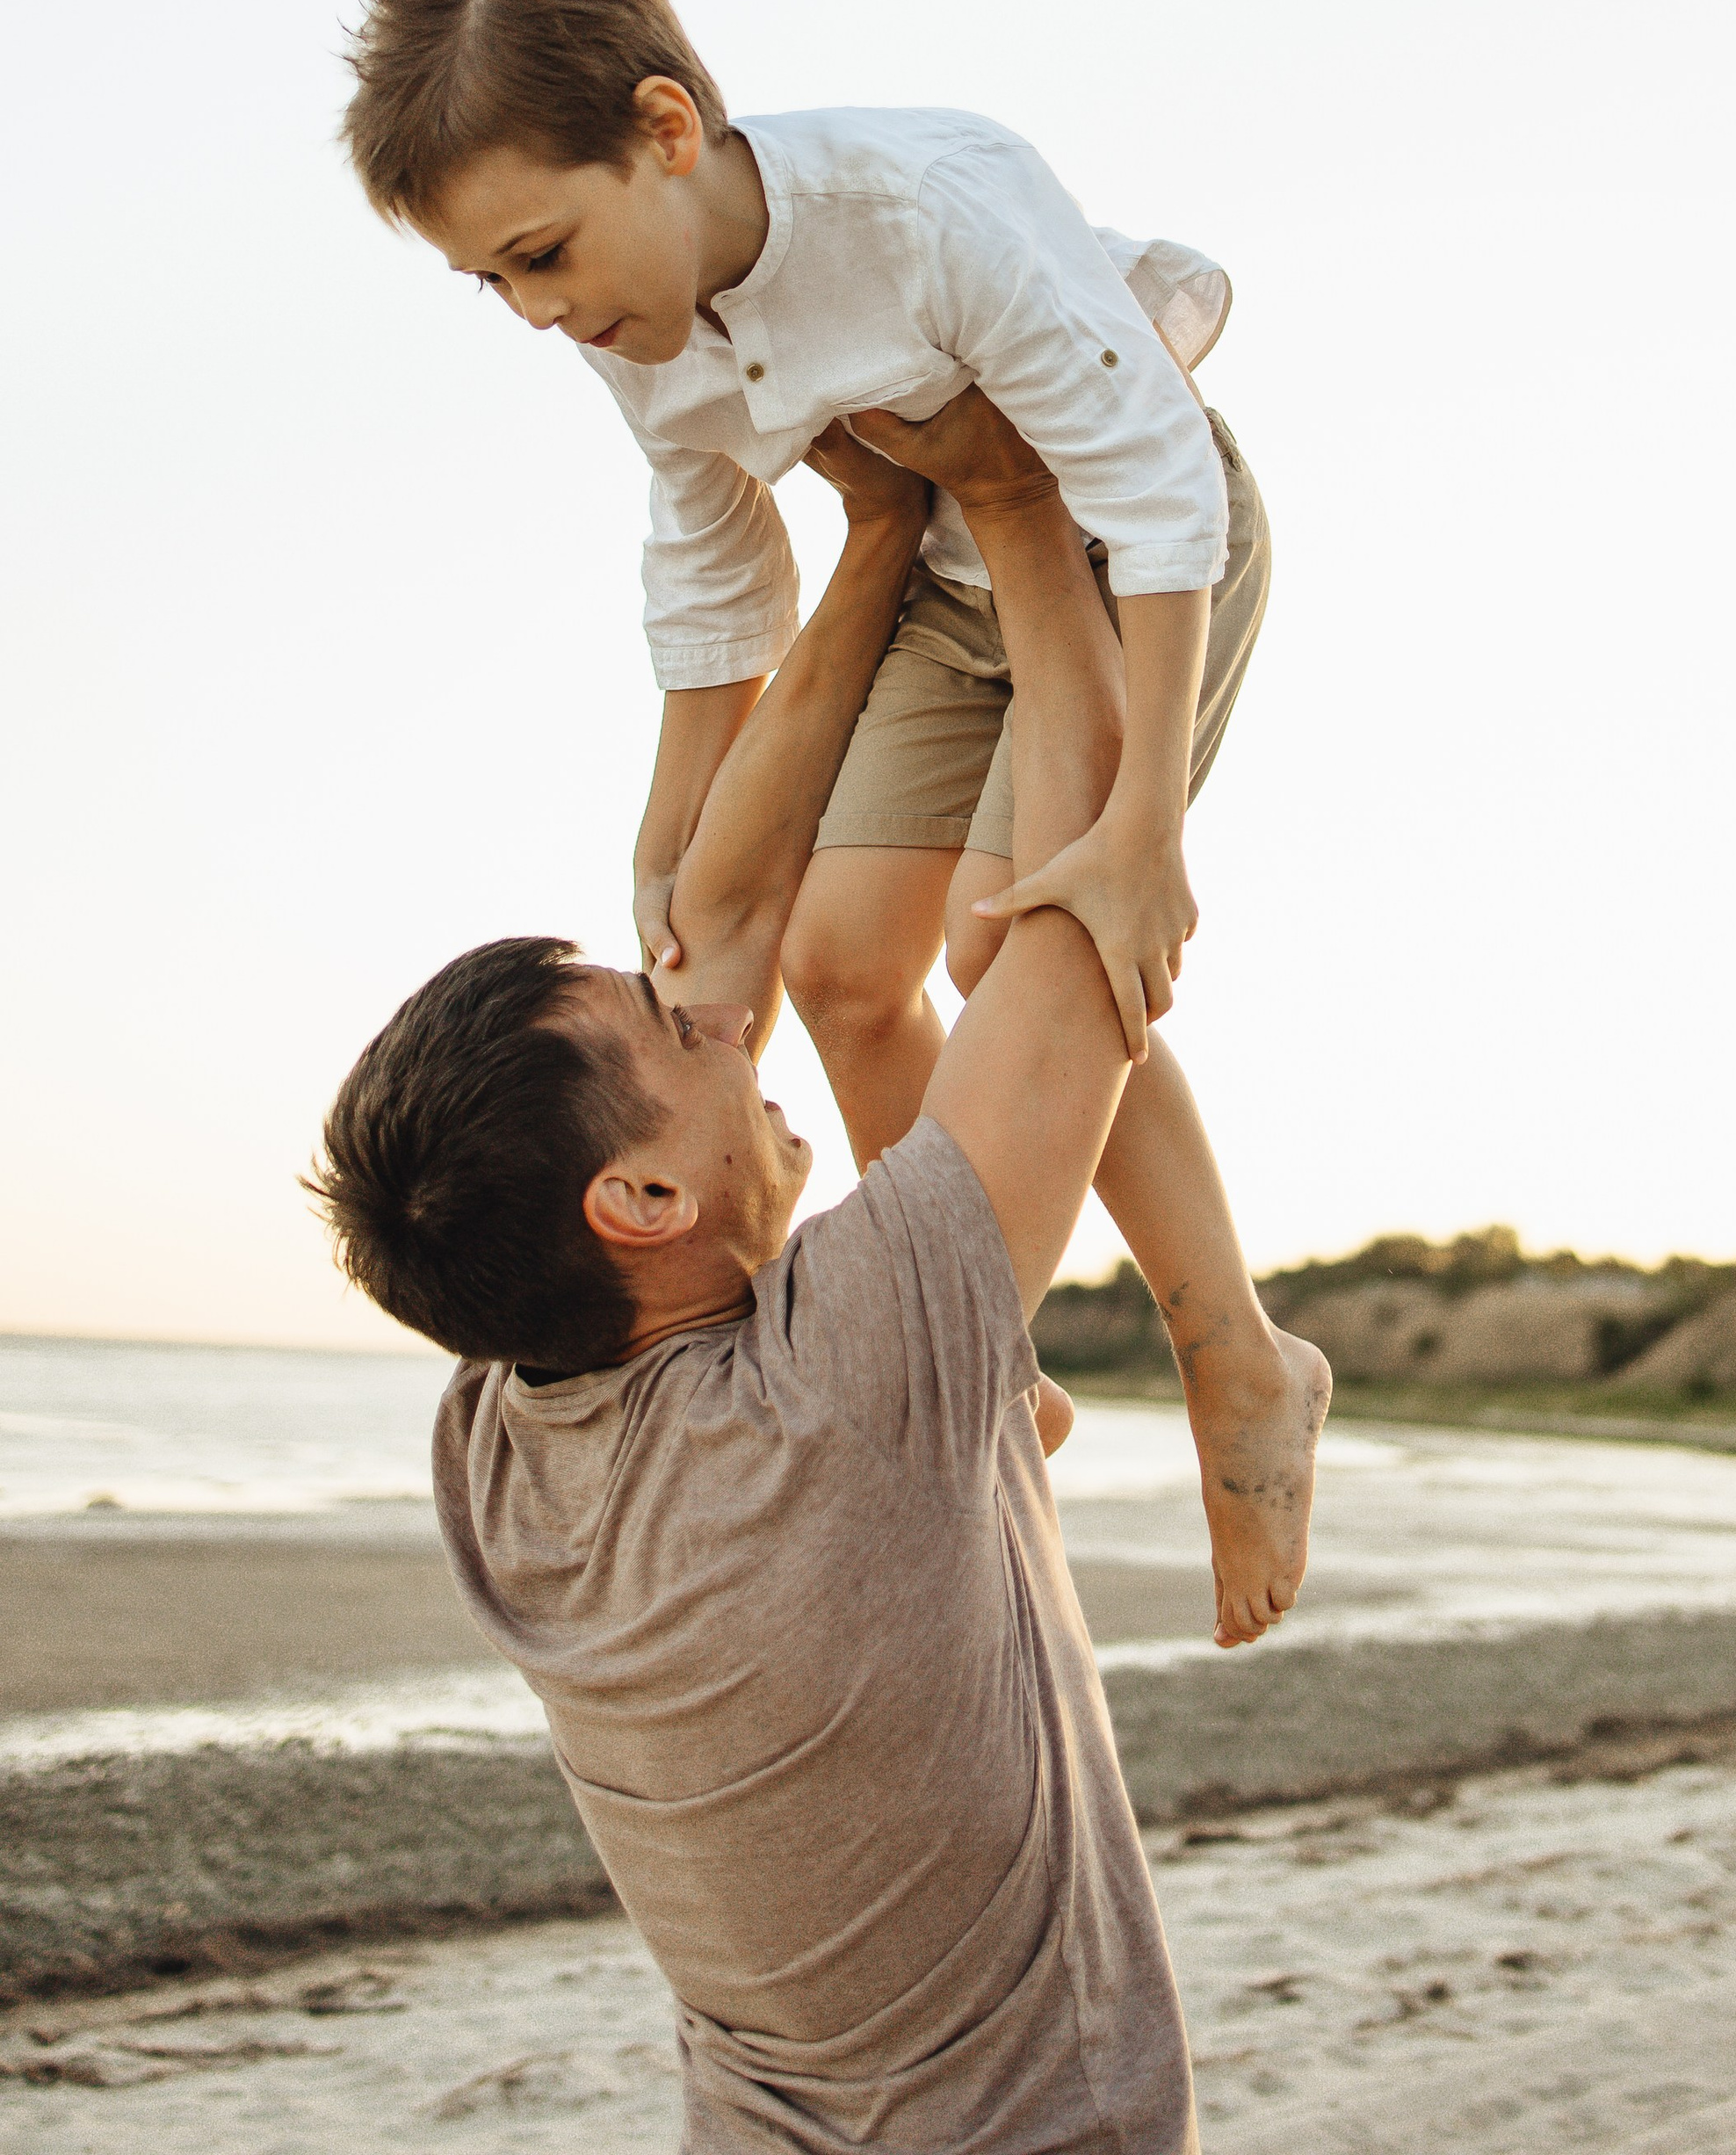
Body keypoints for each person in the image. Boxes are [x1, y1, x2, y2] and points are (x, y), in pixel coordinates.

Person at [313, 394, 1320, 2151]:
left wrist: (866, 541)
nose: (722, 1014)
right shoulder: (858, 1374)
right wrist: (1005, 509)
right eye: (677, 1031)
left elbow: (728, 923)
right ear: (632, 1199)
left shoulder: (502, 1453)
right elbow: (1076, 934)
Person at [340, 0, 1324, 1642]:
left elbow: (1159, 495)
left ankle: (1231, 1354)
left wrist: (1142, 832)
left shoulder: (927, 203)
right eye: (493, 280)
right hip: (947, 596)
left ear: (662, 130)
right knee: (836, 965)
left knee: (1015, 943)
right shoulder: (631, 329)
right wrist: (674, 810)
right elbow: (716, 569)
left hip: (1130, 558)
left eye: (545, 254)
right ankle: (994, 1373)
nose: (537, 310)